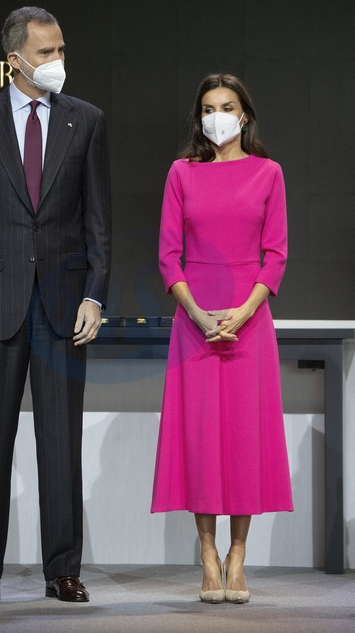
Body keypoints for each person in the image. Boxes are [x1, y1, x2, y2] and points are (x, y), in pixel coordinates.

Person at [0, 6, 111, 603]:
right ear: (15, 59)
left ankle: (63, 570)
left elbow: (98, 221)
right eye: (46, 52)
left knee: (61, 444)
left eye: (61, 49)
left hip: (64, 305)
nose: (58, 61)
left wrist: (95, 293)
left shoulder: (86, 120)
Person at [151, 73, 293, 604]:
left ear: (244, 114)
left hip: (249, 322)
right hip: (195, 323)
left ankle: (238, 555)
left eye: (227, 107)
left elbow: (275, 254)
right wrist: (196, 313)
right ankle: (208, 555)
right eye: (208, 108)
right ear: (199, 117)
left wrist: (243, 311)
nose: (217, 117)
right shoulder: (181, 173)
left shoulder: (268, 173)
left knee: (243, 440)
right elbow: (168, 256)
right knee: (201, 439)